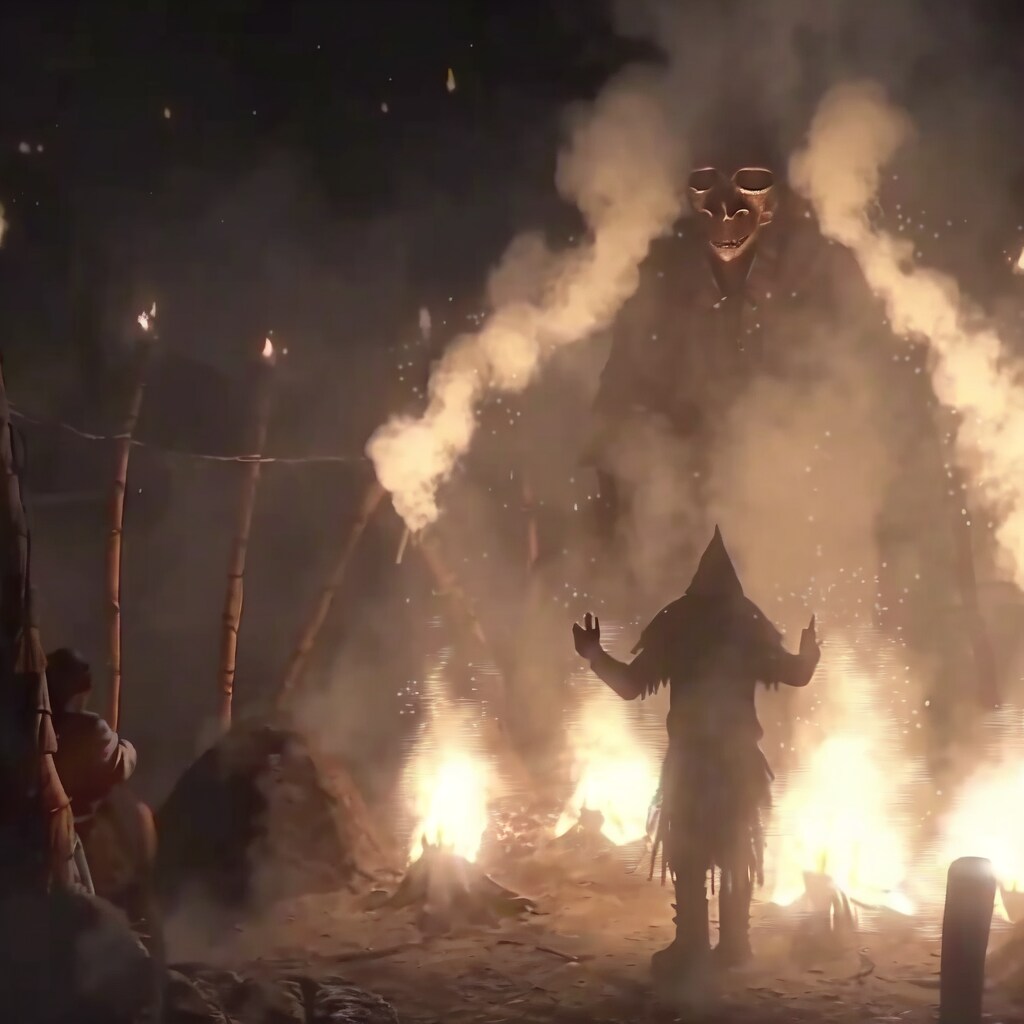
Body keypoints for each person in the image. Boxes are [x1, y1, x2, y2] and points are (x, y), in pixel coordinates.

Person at [572, 528, 820, 981]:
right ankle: (731, 944)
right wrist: (808, 655)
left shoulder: (679, 622)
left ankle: (694, 945)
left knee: (692, 854)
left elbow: (629, 685)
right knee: (731, 853)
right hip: (734, 763)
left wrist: (594, 655)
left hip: (693, 762)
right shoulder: (746, 624)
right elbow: (796, 673)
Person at [45, 648, 137, 843]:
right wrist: (126, 748)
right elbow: (121, 764)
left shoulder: (31, 726)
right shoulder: (91, 730)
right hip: (78, 833)